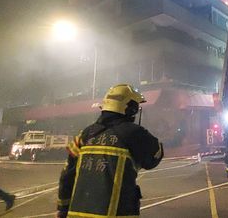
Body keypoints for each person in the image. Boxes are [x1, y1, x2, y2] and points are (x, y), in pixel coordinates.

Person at [56, 84, 163, 218]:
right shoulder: (134, 133)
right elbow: (154, 157)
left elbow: (67, 175)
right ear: (131, 109)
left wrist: (62, 208)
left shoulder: (85, 134)